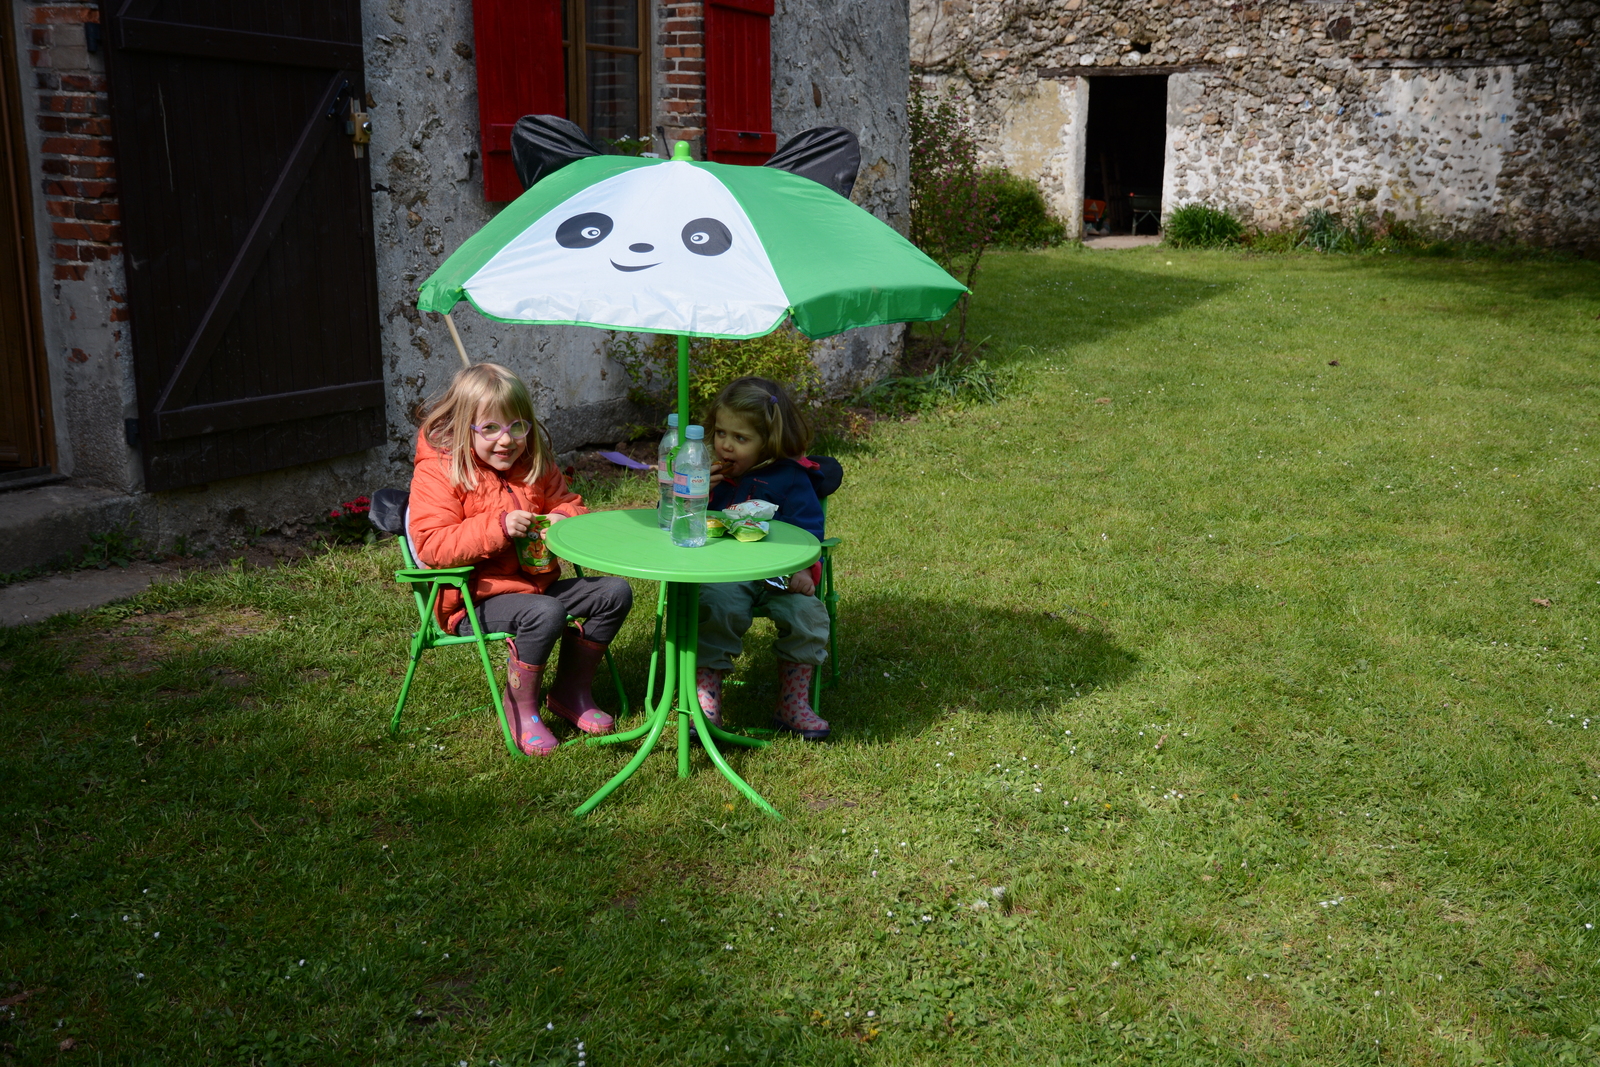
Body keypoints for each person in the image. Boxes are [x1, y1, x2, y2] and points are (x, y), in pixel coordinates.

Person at [408, 363, 633, 756]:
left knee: (614, 592)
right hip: (473, 601)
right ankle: (520, 708)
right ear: (464, 428)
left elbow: (571, 504)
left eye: (517, 427)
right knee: (544, 612)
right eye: (490, 428)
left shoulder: (534, 464)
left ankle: (570, 692)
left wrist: (563, 519)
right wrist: (498, 527)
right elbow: (432, 546)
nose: (506, 440)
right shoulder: (440, 472)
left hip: (539, 586)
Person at [695, 376, 833, 741]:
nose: (726, 445)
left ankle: (792, 702)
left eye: (741, 438)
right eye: (721, 433)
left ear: (769, 441)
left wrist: (803, 568)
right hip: (726, 572)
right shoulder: (709, 477)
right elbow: (682, 524)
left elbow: (808, 531)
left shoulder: (791, 478)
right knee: (715, 604)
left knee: (807, 615)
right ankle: (706, 697)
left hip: (781, 576)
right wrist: (696, 495)